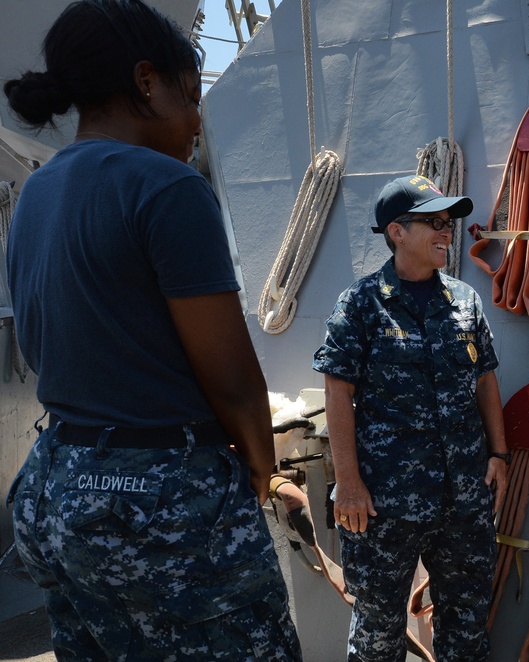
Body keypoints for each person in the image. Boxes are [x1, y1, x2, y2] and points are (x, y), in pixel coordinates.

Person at [3, 1, 301, 659]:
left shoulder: (38, 192)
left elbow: (38, 343)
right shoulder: (165, 186)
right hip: (159, 500)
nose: (197, 122)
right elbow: (229, 376)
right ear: (147, 82)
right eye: (191, 99)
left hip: (57, 485)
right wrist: (261, 469)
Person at [313, 174, 508, 661]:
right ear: (396, 232)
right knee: (378, 636)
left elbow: (485, 378)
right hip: (386, 504)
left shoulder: (464, 301)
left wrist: (499, 454)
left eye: (449, 222)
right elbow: (337, 392)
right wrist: (349, 483)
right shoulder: (361, 305)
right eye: (434, 223)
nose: (447, 232)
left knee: (467, 631)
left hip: (463, 500)